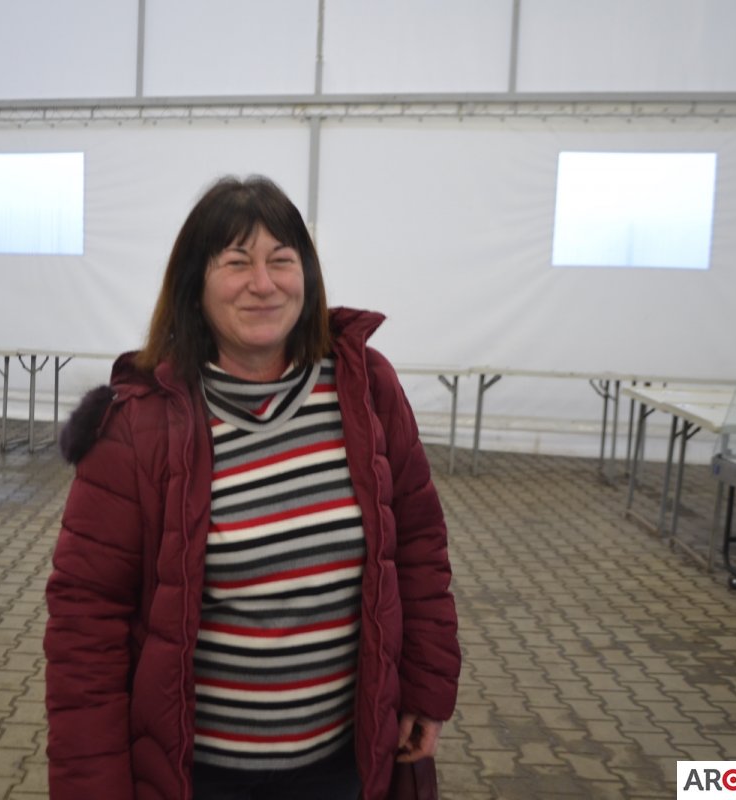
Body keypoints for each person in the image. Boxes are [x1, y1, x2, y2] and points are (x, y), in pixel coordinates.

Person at [44, 175, 460, 800]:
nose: (263, 284)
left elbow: (420, 548)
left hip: (341, 767)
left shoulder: (366, 390)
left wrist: (426, 689)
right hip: (195, 776)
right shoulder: (137, 427)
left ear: (307, 276)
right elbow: (86, 622)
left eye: (281, 261)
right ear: (195, 285)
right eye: (236, 263)